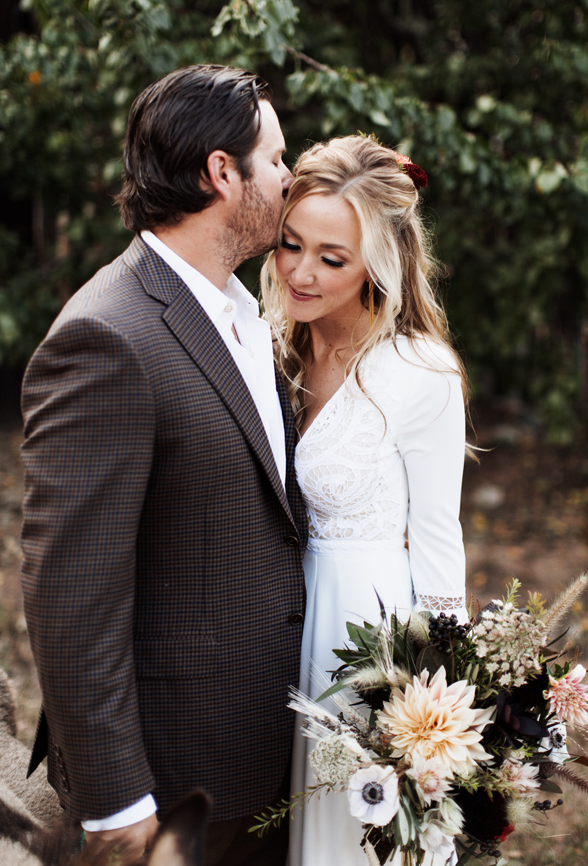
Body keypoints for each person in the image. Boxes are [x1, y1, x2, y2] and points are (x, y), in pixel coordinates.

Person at [20, 64, 305, 866]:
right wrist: (118, 801)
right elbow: (70, 591)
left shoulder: (242, 311)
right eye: (277, 159)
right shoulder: (107, 337)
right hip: (180, 788)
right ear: (223, 172)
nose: (288, 178)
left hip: (271, 755)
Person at [261, 136, 468, 865]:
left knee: (357, 831)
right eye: (291, 245)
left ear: (377, 264)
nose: (301, 271)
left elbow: (441, 541)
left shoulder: (419, 372)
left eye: (331, 258)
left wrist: (443, 710)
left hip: (368, 637)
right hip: (278, 623)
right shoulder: (269, 349)